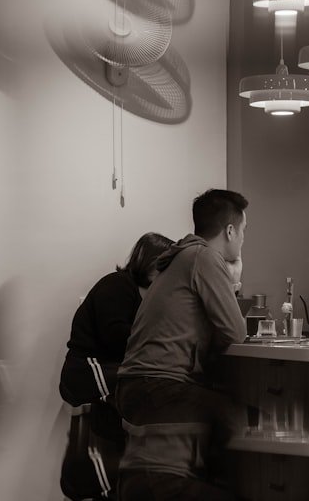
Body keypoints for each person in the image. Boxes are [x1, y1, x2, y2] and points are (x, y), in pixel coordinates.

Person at [115, 189, 248, 501]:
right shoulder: (204, 258)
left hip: (136, 383)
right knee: (234, 416)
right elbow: (235, 332)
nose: (243, 240)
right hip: (159, 385)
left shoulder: (177, 259)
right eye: (243, 231)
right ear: (229, 231)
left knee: (223, 415)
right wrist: (235, 278)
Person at [58, 232, 174, 501]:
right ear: (153, 264)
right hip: (85, 368)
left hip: (102, 368)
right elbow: (116, 338)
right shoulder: (117, 286)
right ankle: (104, 478)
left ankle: (111, 477)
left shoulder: (140, 294)